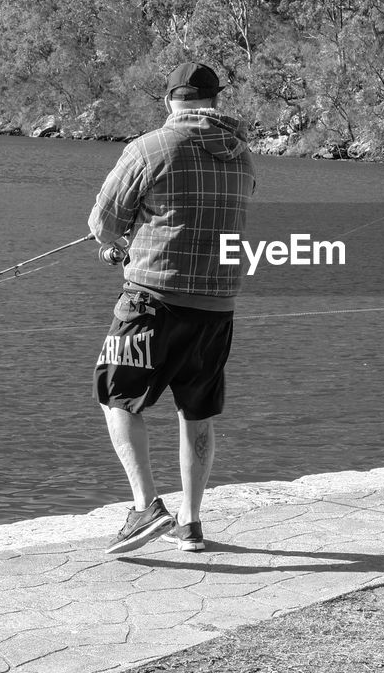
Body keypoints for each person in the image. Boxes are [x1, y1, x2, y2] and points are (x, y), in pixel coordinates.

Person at [89, 61, 257, 554]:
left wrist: (119, 244)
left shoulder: (149, 148)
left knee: (115, 396)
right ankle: (191, 523)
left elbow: (103, 223)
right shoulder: (244, 157)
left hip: (152, 300)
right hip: (218, 306)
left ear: (170, 100)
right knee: (196, 413)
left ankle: (145, 508)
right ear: (214, 99)